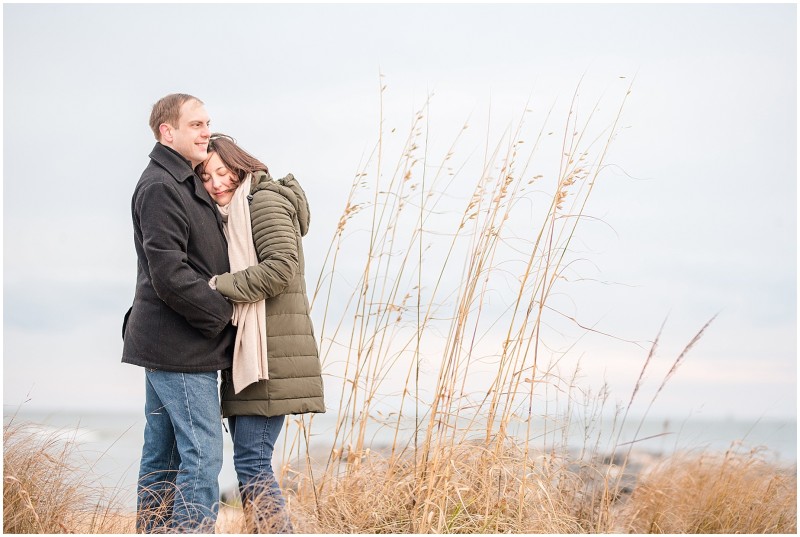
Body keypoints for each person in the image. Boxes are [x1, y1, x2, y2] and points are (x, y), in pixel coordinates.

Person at [196, 133, 325, 533]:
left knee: (252, 462)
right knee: (252, 461)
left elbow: (279, 268)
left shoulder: (263, 201)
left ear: (241, 166)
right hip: (254, 355)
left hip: (270, 357)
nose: (216, 183)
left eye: (222, 171)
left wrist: (217, 285)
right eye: (205, 176)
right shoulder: (235, 212)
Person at [122, 94, 235, 533]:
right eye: (196, 125)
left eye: (208, 123)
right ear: (167, 132)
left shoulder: (184, 180)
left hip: (174, 341)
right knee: (203, 454)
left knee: (164, 454)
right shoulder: (161, 187)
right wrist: (226, 314)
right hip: (179, 344)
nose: (206, 131)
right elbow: (168, 274)